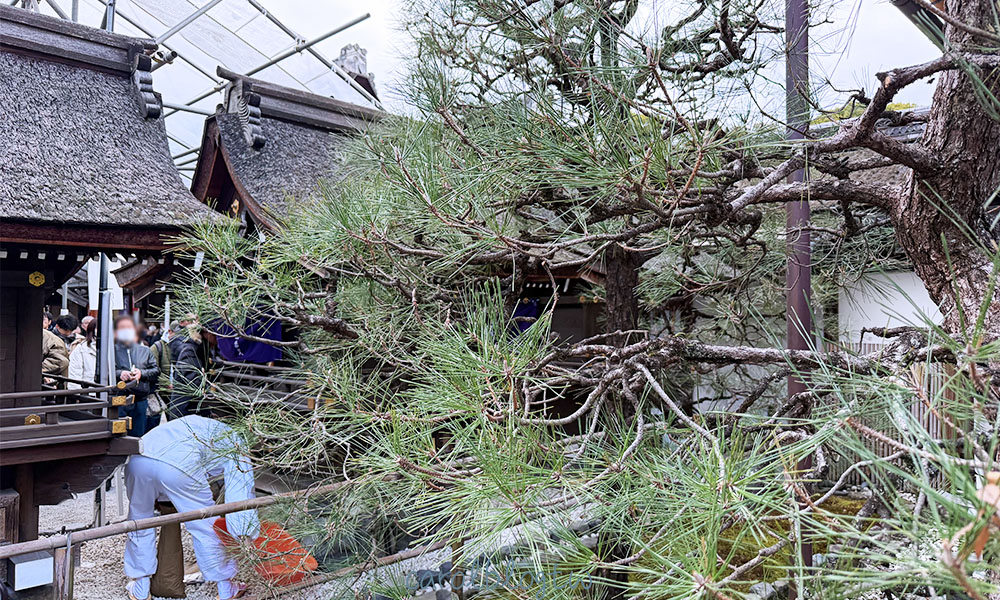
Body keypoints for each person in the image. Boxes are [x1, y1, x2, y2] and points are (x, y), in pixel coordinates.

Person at [123, 416, 256, 600]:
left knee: (140, 521)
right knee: (205, 525)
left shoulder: (197, 424)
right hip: (179, 465)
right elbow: (240, 489)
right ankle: (226, 588)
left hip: (138, 462)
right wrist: (243, 531)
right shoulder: (235, 440)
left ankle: (140, 587)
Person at [113, 315, 159, 437]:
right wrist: (119, 373)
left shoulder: (145, 350)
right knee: (119, 434)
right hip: (119, 399)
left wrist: (141, 373)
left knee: (139, 434)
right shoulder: (111, 351)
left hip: (140, 398)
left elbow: (155, 371)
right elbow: (103, 371)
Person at [167, 322, 206, 419]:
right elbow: (192, 380)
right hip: (184, 410)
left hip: (185, 408)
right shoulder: (189, 351)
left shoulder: (193, 349)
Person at [67, 319, 98, 389]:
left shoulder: (115, 347)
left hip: (113, 392)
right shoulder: (81, 348)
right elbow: (74, 373)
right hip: (88, 392)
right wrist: (77, 395)